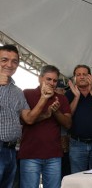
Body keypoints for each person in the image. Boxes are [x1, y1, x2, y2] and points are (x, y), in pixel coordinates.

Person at [0, 45, 54, 188]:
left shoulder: (17, 91)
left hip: (11, 151)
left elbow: (29, 119)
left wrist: (43, 98)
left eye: (15, 61)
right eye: (4, 60)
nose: (10, 65)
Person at [18, 65, 72, 188]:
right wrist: (46, 113)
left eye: (54, 80)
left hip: (53, 155)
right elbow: (27, 120)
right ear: (40, 78)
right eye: (48, 79)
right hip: (30, 154)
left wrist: (56, 112)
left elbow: (68, 124)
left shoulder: (61, 98)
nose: (52, 83)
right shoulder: (27, 93)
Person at [65, 64, 92, 173]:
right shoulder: (69, 93)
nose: (82, 77)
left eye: (85, 74)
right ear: (75, 78)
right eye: (78, 74)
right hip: (77, 144)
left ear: (90, 76)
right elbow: (67, 116)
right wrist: (76, 97)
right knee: (78, 179)